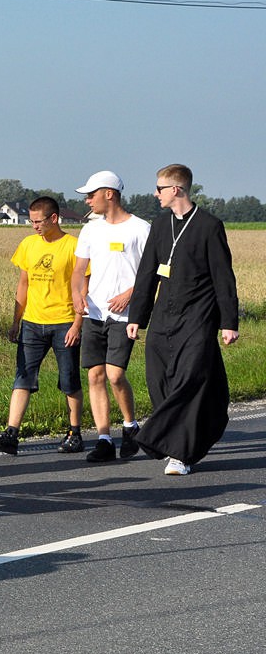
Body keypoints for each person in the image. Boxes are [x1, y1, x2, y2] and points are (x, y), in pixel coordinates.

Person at [126, 164, 239, 476]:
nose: (155, 193)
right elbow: (147, 271)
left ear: (176, 189)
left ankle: (179, 453)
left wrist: (229, 322)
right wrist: (137, 316)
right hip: (164, 315)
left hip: (198, 316)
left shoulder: (209, 225)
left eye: (159, 188)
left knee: (189, 380)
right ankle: (171, 438)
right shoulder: (161, 225)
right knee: (159, 377)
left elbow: (223, 277)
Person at [0, 197, 85, 456]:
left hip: (64, 321)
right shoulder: (28, 245)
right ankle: (11, 433)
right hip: (32, 322)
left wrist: (78, 324)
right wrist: (15, 321)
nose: (34, 226)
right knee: (22, 377)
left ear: (54, 218)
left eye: (38, 221)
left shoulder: (74, 247)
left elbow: (83, 289)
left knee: (69, 380)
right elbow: (23, 284)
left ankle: (74, 432)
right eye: (31, 221)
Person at [71, 171, 150, 463]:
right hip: (94, 313)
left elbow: (152, 272)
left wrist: (131, 293)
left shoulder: (141, 229)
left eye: (91, 195)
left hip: (125, 314)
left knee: (115, 375)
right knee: (95, 374)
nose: (88, 200)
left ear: (109, 194)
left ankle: (129, 425)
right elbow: (79, 271)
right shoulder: (91, 230)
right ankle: (104, 439)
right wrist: (77, 295)